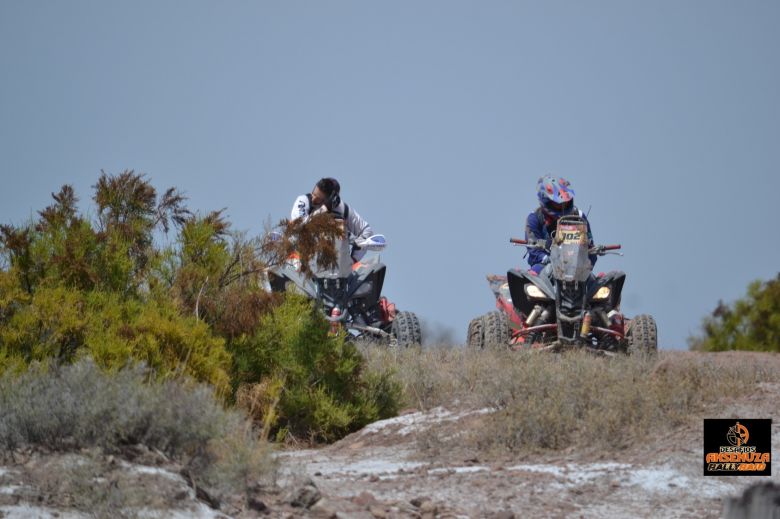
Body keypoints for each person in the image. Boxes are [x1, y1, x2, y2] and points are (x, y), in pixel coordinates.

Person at [524, 175, 596, 274]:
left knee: (599, 282)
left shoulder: (579, 216)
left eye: (565, 203)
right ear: (546, 201)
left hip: (576, 269)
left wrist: (587, 261)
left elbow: (590, 247)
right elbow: (533, 250)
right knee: (530, 276)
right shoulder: (534, 218)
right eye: (557, 203)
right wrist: (546, 258)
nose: (562, 206)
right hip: (545, 266)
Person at [291, 177, 373, 261]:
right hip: (302, 255)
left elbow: (366, 230)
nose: (313, 199)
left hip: (337, 261)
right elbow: (298, 226)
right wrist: (323, 209)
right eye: (313, 193)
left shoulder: (342, 209)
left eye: (318, 199)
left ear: (331, 199)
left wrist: (354, 259)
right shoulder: (303, 201)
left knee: (337, 220)